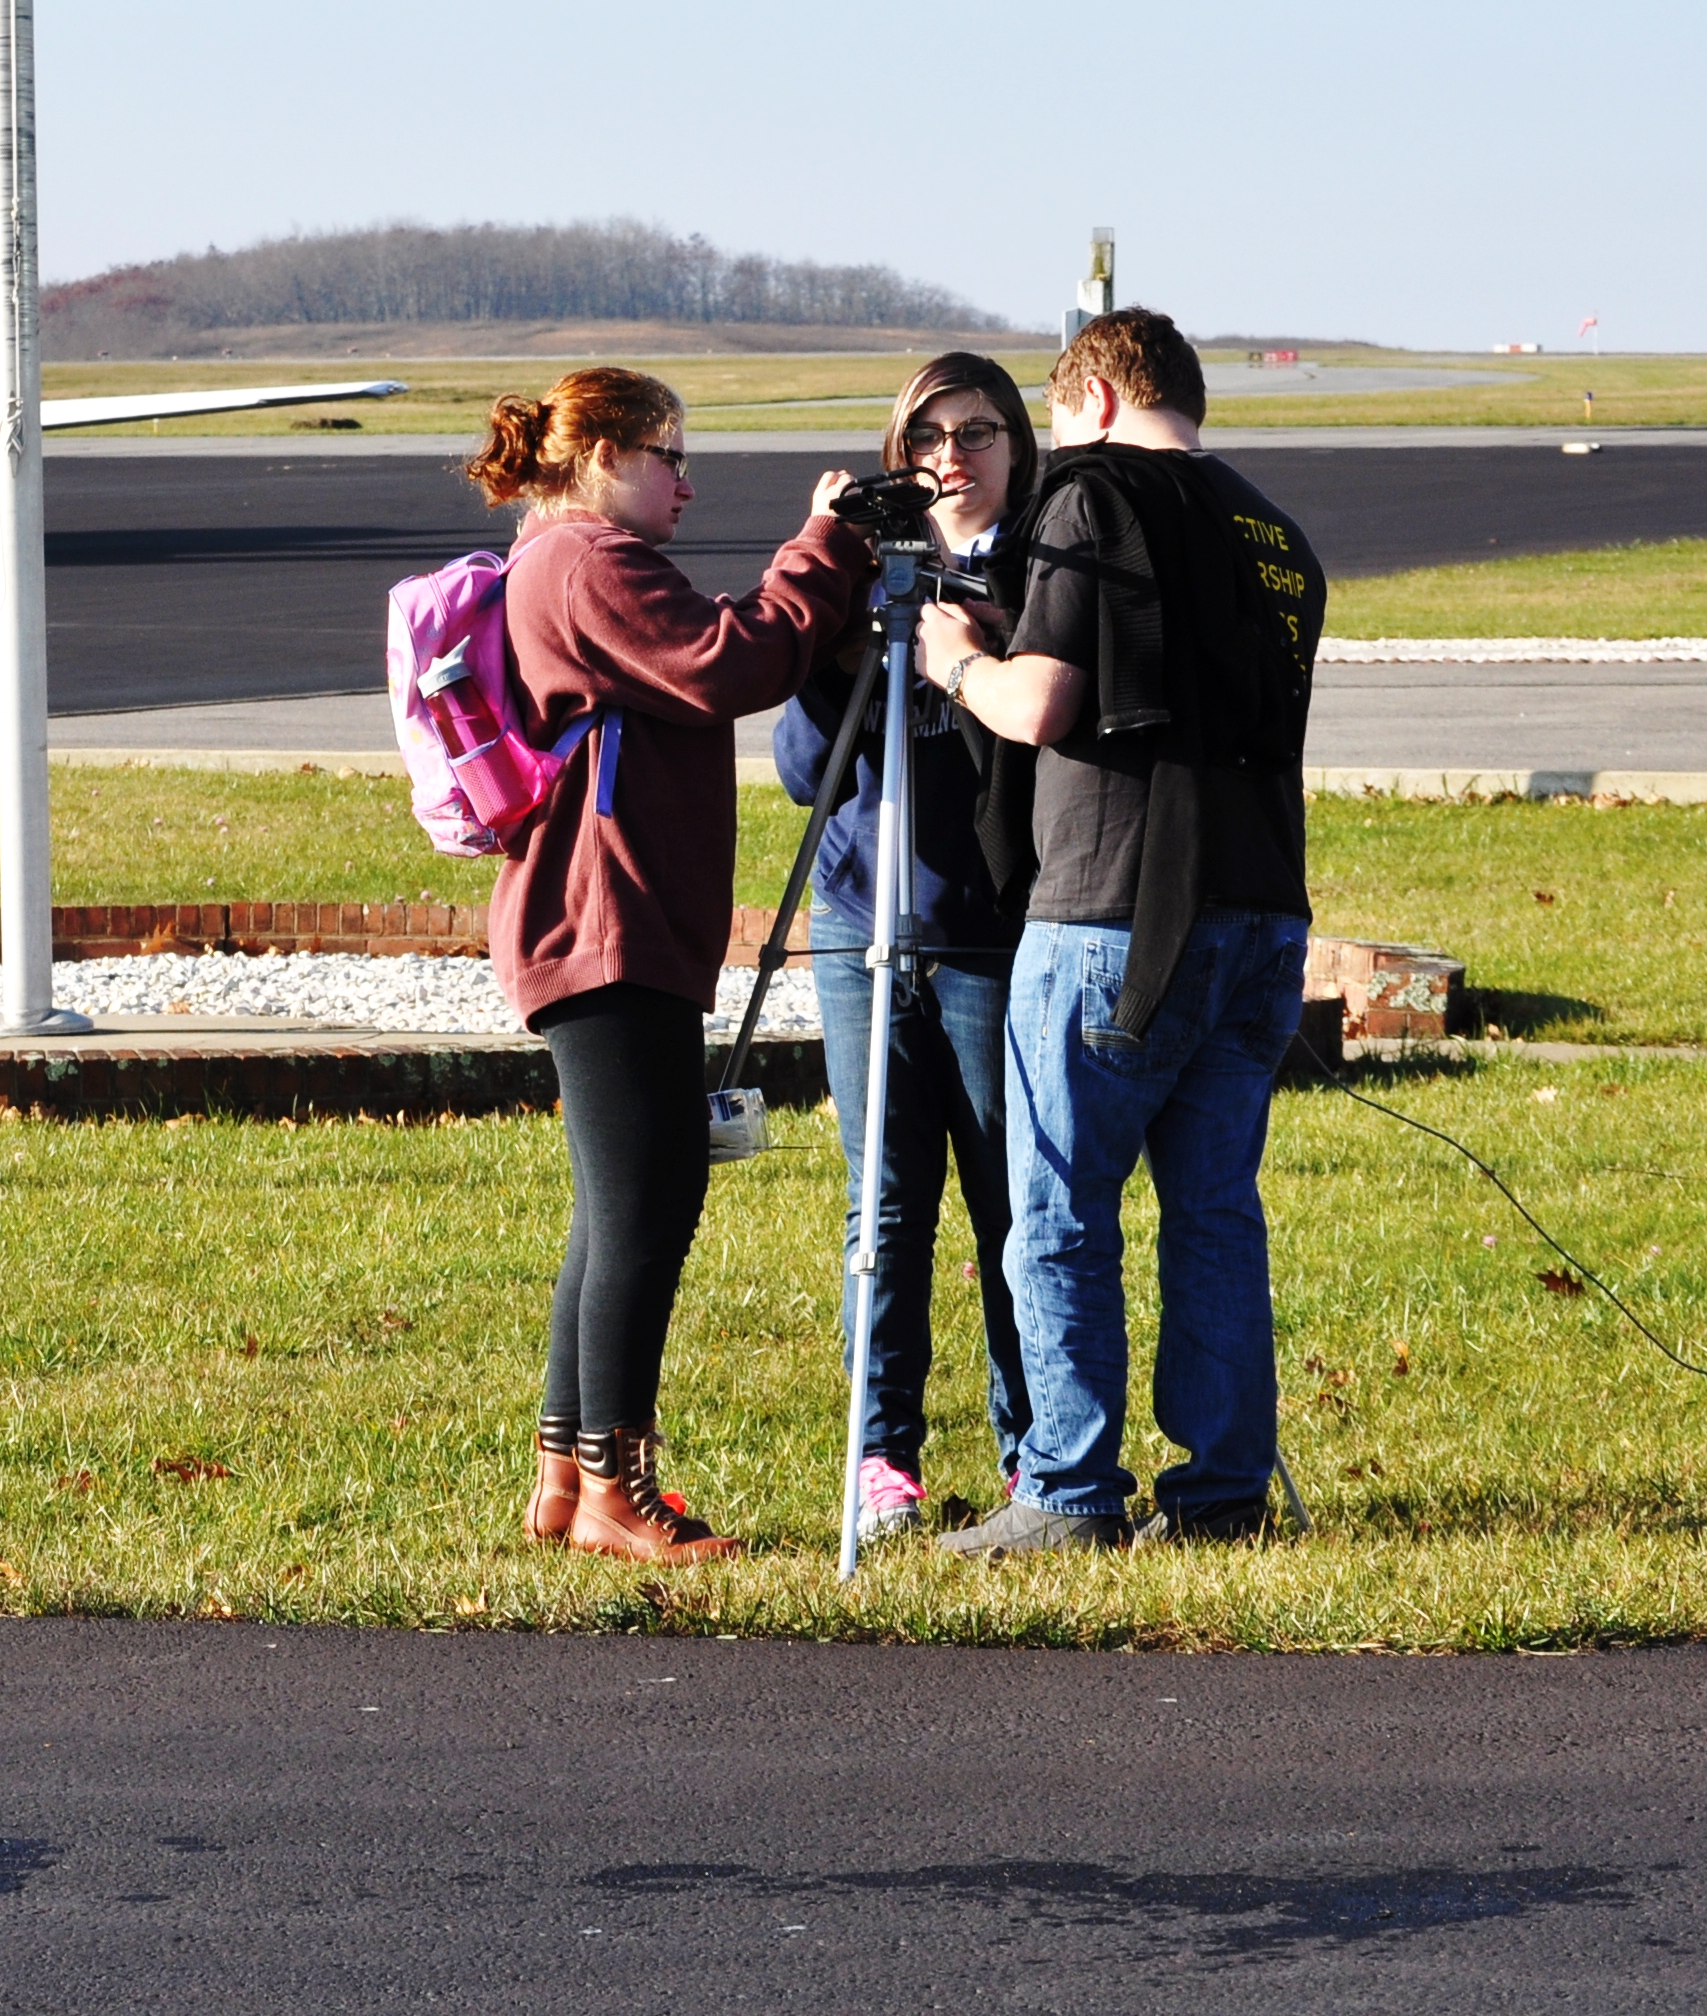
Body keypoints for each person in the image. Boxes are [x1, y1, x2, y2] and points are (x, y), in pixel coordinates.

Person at [923, 308, 1327, 1555]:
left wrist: (955, 663)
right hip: (1259, 908)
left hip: (1112, 908)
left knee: (1058, 1209)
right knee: (1213, 1210)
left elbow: (1045, 703)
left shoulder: (1088, 496)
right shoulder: (1275, 530)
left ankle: (1067, 1489)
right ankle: (1220, 1492)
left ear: (1092, 397)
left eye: (1047, 421)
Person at [471, 367, 871, 1564]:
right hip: (606, 920)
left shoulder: (561, 558)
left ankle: (563, 1473)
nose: (687, 483)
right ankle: (615, 1490)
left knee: (614, 1207)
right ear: (599, 452)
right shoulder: (590, 560)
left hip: (602, 917)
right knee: (650, 1204)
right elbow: (724, 662)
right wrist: (824, 546)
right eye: (669, 456)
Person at [769, 353, 1040, 1547]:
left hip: (989, 929)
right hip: (859, 923)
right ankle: (881, 1457)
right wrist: (838, 649)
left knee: (1010, 1203)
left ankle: (1039, 1453)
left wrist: (976, 655)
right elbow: (797, 777)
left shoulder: (1046, 570)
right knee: (882, 1207)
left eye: (980, 431)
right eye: (928, 435)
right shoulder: (868, 578)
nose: (953, 457)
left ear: (1019, 447)